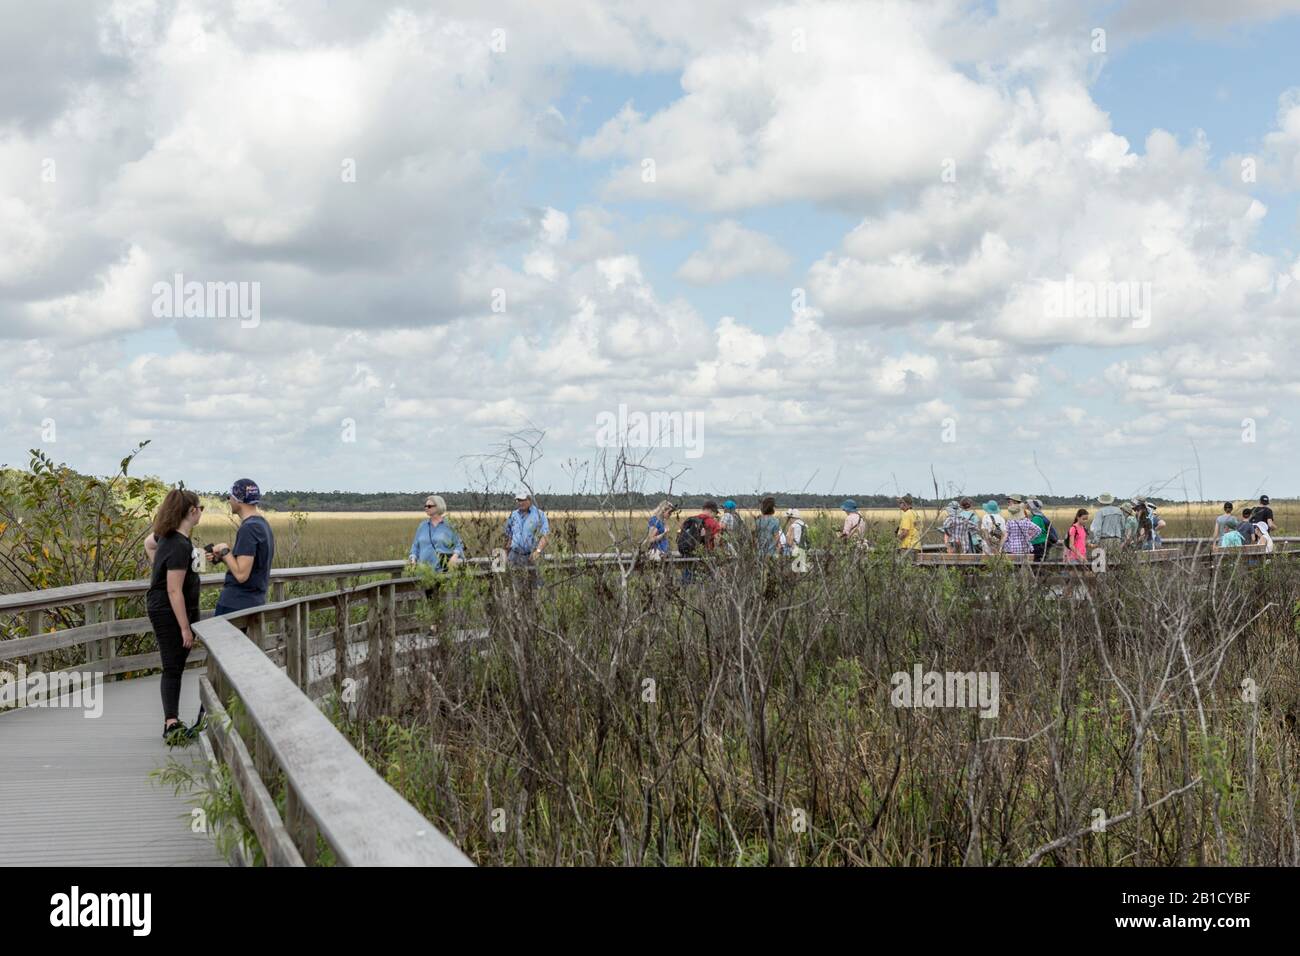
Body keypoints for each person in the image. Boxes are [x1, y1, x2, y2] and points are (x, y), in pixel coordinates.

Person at [143, 488, 205, 743]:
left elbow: (148, 543)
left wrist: (159, 565)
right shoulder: (178, 544)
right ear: (192, 511)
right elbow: (173, 589)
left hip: (163, 606)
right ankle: (171, 723)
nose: (201, 512)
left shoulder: (167, 537)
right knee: (173, 665)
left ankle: (172, 720)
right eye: (201, 508)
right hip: (168, 610)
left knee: (175, 663)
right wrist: (185, 629)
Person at [211, 478, 275, 618]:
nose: (229, 501)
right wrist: (223, 558)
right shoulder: (262, 524)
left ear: (238, 500)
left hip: (236, 603)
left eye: (230, 497)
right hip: (253, 602)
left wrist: (225, 550)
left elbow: (241, 575)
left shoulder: (249, 528)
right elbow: (250, 566)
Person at [408, 495, 465, 572]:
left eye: (429, 506)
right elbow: (415, 546)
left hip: (443, 572)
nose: (426, 508)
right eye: (425, 506)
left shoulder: (449, 525)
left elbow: (459, 545)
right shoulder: (422, 526)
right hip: (424, 572)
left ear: (438, 507)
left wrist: (454, 557)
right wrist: (413, 558)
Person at [503, 490, 549, 576]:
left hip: (533, 555)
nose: (520, 503)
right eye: (518, 500)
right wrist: (505, 552)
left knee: (536, 583)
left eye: (523, 500)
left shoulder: (540, 515)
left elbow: (545, 536)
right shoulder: (513, 515)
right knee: (515, 582)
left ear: (529, 500)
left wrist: (538, 551)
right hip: (515, 555)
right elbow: (509, 535)